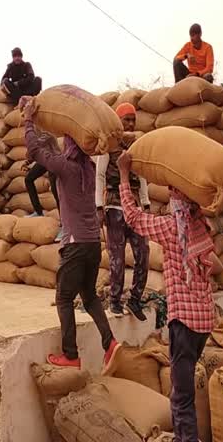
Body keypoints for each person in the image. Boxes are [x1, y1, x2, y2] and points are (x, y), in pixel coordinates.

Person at [117, 151, 223, 442]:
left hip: (184, 322)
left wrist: (124, 176)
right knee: (182, 387)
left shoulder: (170, 228)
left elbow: (133, 217)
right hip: (204, 320)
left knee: (182, 396)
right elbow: (217, 265)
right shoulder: (202, 226)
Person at [20, 95, 121, 370]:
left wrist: (28, 120)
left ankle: (71, 356)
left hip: (75, 244)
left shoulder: (66, 168)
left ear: (70, 146)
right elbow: (44, 149)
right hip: (92, 244)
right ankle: (110, 342)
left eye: (67, 140)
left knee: (64, 298)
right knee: (88, 296)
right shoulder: (88, 167)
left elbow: (37, 151)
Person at [95, 103, 150, 320]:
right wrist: (99, 206)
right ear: (118, 121)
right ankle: (115, 301)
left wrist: (145, 202)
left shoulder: (137, 145)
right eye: (126, 120)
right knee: (116, 258)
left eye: (132, 120)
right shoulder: (109, 145)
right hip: (114, 207)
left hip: (135, 208)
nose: (130, 124)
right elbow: (100, 176)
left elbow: (143, 175)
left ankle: (135, 299)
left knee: (143, 254)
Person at [24, 130, 64, 241]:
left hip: (54, 161)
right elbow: (35, 152)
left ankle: (64, 226)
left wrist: (29, 155)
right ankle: (38, 211)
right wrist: (27, 162)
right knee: (28, 179)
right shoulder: (36, 131)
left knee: (57, 194)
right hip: (45, 161)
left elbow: (34, 148)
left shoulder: (46, 132)